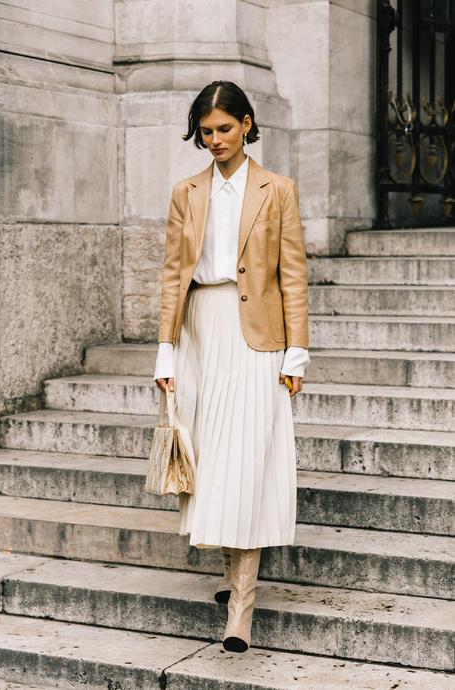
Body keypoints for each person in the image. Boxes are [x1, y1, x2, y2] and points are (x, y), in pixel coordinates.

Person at [153, 80, 310, 653]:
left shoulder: (278, 189)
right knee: (214, 460)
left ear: (246, 123)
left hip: (257, 338)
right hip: (199, 331)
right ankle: (229, 570)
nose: (214, 139)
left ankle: (241, 607)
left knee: (246, 460)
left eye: (224, 128)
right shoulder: (185, 192)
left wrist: (297, 351)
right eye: (205, 131)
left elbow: (292, 274)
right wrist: (165, 351)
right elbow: (173, 276)